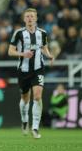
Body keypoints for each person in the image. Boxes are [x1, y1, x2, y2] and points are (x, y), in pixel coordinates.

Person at [8, 8, 54, 139]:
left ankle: (35, 127)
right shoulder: (18, 33)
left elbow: (44, 48)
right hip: (23, 70)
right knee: (24, 99)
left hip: (38, 69)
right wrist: (23, 54)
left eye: (32, 16)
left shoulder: (43, 33)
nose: (29, 18)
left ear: (36, 18)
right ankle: (24, 121)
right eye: (27, 16)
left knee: (38, 96)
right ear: (24, 19)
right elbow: (10, 51)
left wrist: (49, 56)